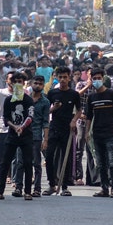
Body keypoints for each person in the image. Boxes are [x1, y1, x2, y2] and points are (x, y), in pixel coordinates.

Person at [0, 71, 36, 200]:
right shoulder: (8, 100)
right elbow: (6, 118)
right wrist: (14, 126)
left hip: (26, 135)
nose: (17, 84)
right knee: (5, 163)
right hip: (12, 135)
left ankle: (27, 191)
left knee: (27, 163)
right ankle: (0, 191)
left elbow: (30, 116)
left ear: (24, 83)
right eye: (15, 82)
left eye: (20, 82)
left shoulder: (28, 100)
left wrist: (22, 127)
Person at [82, 72, 113, 198]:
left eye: (99, 78)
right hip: (96, 133)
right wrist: (87, 132)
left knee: (112, 161)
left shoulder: (111, 94)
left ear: (103, 78)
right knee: (100, 163)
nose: (97, 80)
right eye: (94, 79)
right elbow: (88, 117)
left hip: (109, 132)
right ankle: (104, 188)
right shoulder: (91, 97)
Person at [43, 67, 81, 196]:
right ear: (57, 78)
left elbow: (79, 110)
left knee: (67, 157)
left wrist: (74, 120)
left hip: (68, 129)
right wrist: (54, 108)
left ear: (69, 78)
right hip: (54, 127)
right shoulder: (52, 93)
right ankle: (51, 184)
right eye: (60, 77)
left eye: (65, 77)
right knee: (49, 156)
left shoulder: (74, 94)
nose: (63, 80)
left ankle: (65, 186)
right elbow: (46, 111)